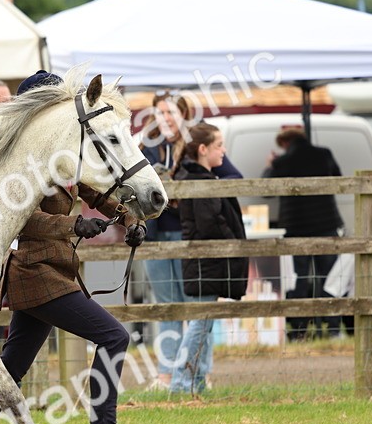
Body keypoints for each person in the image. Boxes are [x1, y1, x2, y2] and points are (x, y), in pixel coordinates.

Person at [0, 70, 150, 424]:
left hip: (51, 272)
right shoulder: (18, 163)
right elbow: (20, 218)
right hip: (35, 274)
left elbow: (91, 189)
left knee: (11, 366)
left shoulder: (58, 156)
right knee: (114, 336)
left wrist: (127, 218)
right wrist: (71, 227)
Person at [140, 93, 244, 390]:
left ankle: (200, 373)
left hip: (189, 237)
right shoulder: (147, 147)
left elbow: (234, 177)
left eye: (171, 111)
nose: (166, 118)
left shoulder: (196, 145)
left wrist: (193, 193)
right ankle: (166, 374)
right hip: (156, 236)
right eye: (160, 112)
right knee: (166, 307)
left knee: (197, 307)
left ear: (184, 114)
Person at [171, 122, 249, 395]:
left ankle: (197, 381)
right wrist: (232, 242)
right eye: (219, 145)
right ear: (203, 149)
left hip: (206, 263)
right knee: (199, 324)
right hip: (206, 262)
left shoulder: (201, 179)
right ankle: (180, 382)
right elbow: (210, 224)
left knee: (203, 324)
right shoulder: (198, 183)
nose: (224, 151)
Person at [263, 127, 345, 340]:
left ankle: (299, 330)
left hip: (296, 228)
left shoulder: (282, 162)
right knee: (330, 279)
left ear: (284, 143)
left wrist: (270, 165)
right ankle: (333, 328)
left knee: (298, 280)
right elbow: (340, 179)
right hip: (326, 225)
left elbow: (265, 191)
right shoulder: (324, 154)